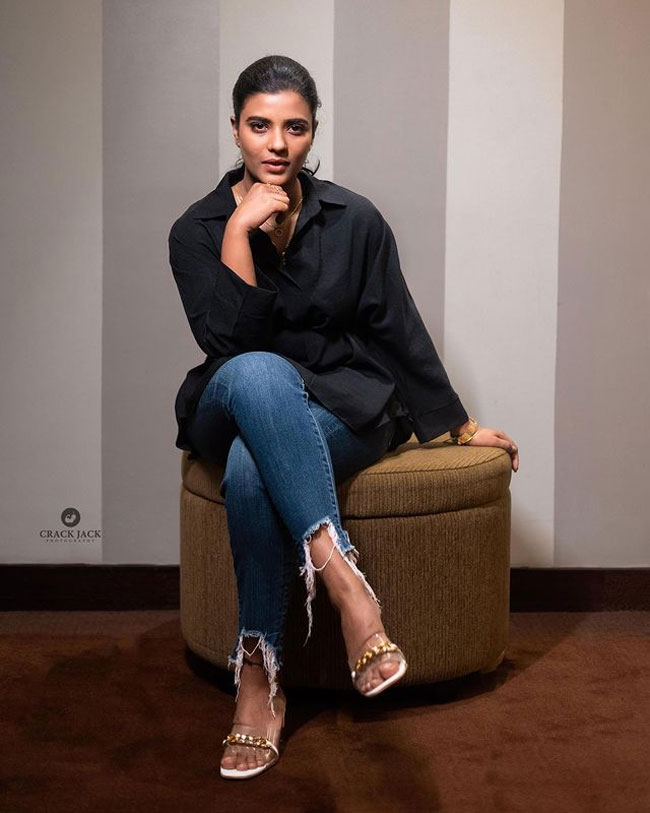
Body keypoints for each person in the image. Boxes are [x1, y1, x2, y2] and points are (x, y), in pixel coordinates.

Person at [168, 55, 519, 780]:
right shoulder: (195, 230)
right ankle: (347, 585)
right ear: (234, 129)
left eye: (294, 127)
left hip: (343, 401)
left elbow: (397, 328)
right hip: (235, 394)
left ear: (313, 131)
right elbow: (228, 346)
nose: (277, 143)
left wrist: (457, 427)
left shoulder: (354, 218)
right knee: (258, 372)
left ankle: (258, 677)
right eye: (259, 125)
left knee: (250, 469)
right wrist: (237, 233)